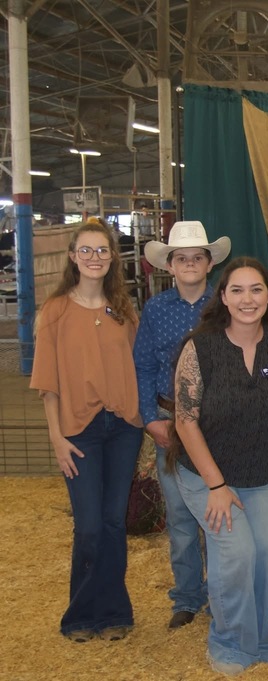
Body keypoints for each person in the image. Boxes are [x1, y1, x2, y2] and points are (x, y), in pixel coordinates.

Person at [172, 257, 268, 675]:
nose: (248, 299)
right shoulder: (201, 346)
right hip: (205, 474)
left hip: (261, 472)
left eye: (256, 290)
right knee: (238, 555)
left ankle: (257, 635)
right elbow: (185, 420)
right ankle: (228, 644)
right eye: (238, 290)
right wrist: (216, 485)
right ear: (223, 297)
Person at [31, 218, 143, 643]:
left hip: (123, 428)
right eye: (86, 250)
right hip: (79, 430)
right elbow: (47, 382)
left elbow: (138, 365)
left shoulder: (123, 311)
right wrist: (57, 437)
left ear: (112, 257)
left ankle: (115, 611)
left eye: (102, 251)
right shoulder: (56, 311)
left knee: (114, 523)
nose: (95, 258)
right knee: (90, 525)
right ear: (73, 257)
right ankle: (80, 615)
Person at [134, 220, 231, 629]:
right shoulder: (156, 309)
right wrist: (150, 419)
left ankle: (222, 595)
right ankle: (188, 596)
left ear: (209, 264)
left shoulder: (224, 306)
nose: (189, 263)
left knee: (221, 512)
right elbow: (142, 364)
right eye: (181, 258)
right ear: (169, 266)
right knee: (179, 514)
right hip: (170, 422)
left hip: (217, 421)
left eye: (197, 257)